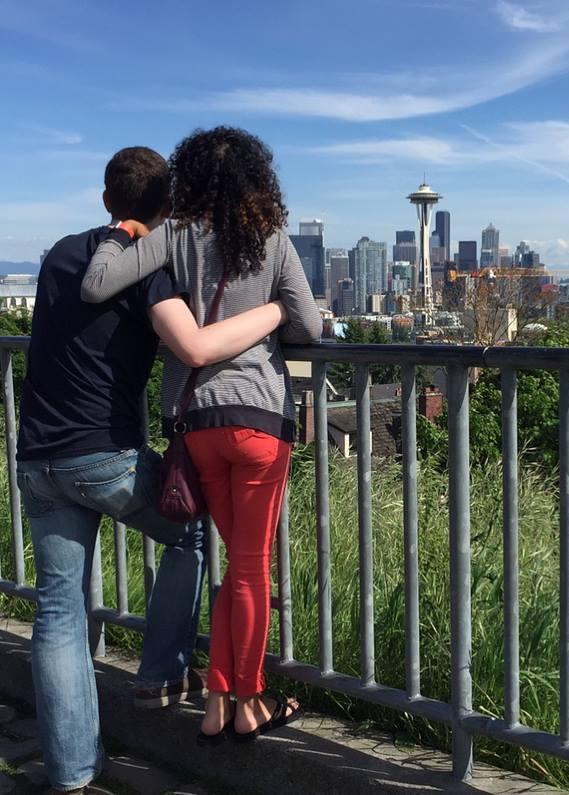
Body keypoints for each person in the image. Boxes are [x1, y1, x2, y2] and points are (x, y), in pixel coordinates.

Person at [17, 145, 290, 794]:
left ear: (107, 200)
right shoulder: (150, 269)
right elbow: (194, 344)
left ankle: (71, 768)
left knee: (58, 609)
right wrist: (275, 312)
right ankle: (160, 673)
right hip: (103, 452)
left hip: (37, 455)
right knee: (190, 531)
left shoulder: (58, 252)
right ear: (167, 208)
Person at [82, 127, 322, 743]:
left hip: (197, 425)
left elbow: (102, 283)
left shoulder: (174, 234)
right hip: (261, 421)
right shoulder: (272, 239)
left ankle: (220, 702)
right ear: (256, 176)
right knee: (251, 569)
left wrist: (122, 233)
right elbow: (312, 327)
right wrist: (270, 314)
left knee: (233, 565)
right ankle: (245, 703)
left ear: (188, 177)